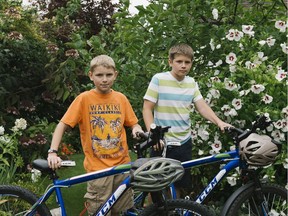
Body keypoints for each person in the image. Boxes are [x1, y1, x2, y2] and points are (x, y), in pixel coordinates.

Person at [47, 54, 143, 216]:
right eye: (99, 75)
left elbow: (134, 123)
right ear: (91, 75)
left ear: (115, 75)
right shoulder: (84, 99)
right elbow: (62, 124)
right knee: (100, 211)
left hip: (122, 166)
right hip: (98, 170)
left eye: (108, 75)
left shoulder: (121, 99)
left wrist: (136, 129)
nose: (104, 79)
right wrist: (53, 152)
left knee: (123, 210)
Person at [142, 43, 231, 198]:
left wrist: (219, 122)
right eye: (179, 62)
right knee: (156, 189)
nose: (183, 66)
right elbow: (147, 108)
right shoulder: (159, 79)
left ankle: (175, 211)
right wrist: (153, 133)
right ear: (170, 62)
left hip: (184, 142)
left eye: (187, 62)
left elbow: (202, 107)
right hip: (161, 142)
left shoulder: (191, 83)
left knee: (180, 186)